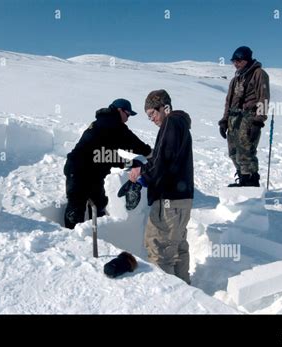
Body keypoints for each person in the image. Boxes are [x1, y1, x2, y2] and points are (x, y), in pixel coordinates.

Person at [129, 90, 194, 284]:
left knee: (159, 251)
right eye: (148, 116)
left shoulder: (171, 123)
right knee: (178, 248)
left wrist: (142, 177)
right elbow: (164, 159)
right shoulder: (180, 124)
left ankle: (166, 299)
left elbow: (162, 160)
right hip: (181, 200)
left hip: (169, 202)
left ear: (164, 107)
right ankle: (186, 292)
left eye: (152, 114)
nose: (151, 119)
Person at [64, 98, 152, 229]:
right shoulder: (110, 124)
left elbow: (108, 154)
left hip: (93, 173)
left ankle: (98, 238)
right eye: (127, 114)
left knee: (99, 205)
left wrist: (135, 160)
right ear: (119, 110)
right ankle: (71, 242)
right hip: (78, 170)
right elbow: (128, 141)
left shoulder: (108, 124)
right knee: (75, 210)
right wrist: (146, 153)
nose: (128, 118)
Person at [218, 46, 270, 187]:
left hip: (249, 117)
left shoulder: (259, 74)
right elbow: (228, 101)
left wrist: (258, 122)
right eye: (234, 61)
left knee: (246, 152)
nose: (236, 63)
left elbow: (263, 98)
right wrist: (224, 120)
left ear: (247, 60)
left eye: (239, 61)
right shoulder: (235, 79)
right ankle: (243, 179)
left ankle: (250, 183)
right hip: (233, 120)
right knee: (233, 152)